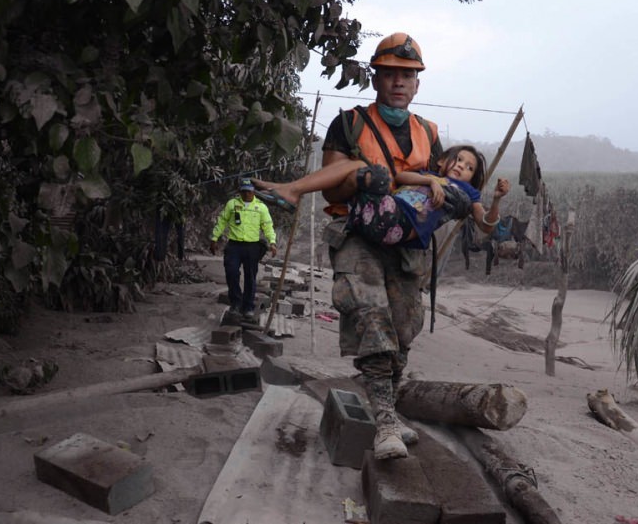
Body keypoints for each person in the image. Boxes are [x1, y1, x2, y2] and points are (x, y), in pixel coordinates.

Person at [322, 32, 508, 461]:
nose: (399, 82)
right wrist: (362, 179)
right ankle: (384, 420)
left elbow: (445, 184)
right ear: (377, 77)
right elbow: (330, 180)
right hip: (357, 231)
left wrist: (467, 199)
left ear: (418, 84)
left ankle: (389, 409)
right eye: (391, 73)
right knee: (370, 314)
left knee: (405, 327)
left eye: (408, 75)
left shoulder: (428, 133)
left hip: (407, 244)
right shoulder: (349, 122)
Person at [253, 144, 510, 249]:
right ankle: (291, 190)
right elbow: (402, 179)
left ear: (472, 178)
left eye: (469, 168)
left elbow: (486, 225)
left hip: (397, 225)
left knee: (369, 172)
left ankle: (292, 191)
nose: (462, 166)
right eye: (459, 159)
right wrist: (430, 180)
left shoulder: (467, 192)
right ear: (443, 160)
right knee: (359, 169)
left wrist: (496, 199)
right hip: (378, 213)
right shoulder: (429, 176)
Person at [210, 178, 277, 320]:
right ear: (240, 191)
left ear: (254, 192)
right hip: (234, 246)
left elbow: (267, 225)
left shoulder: (261, 207)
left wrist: (272, 242)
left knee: (250, 277)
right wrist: (214, 238)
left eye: (249, 191)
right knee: (231, 273)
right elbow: (222, 221)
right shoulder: (232, 204)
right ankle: (235, 303)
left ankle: (248, 307)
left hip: (252, 247)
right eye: (244, 191)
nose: (247, 194)